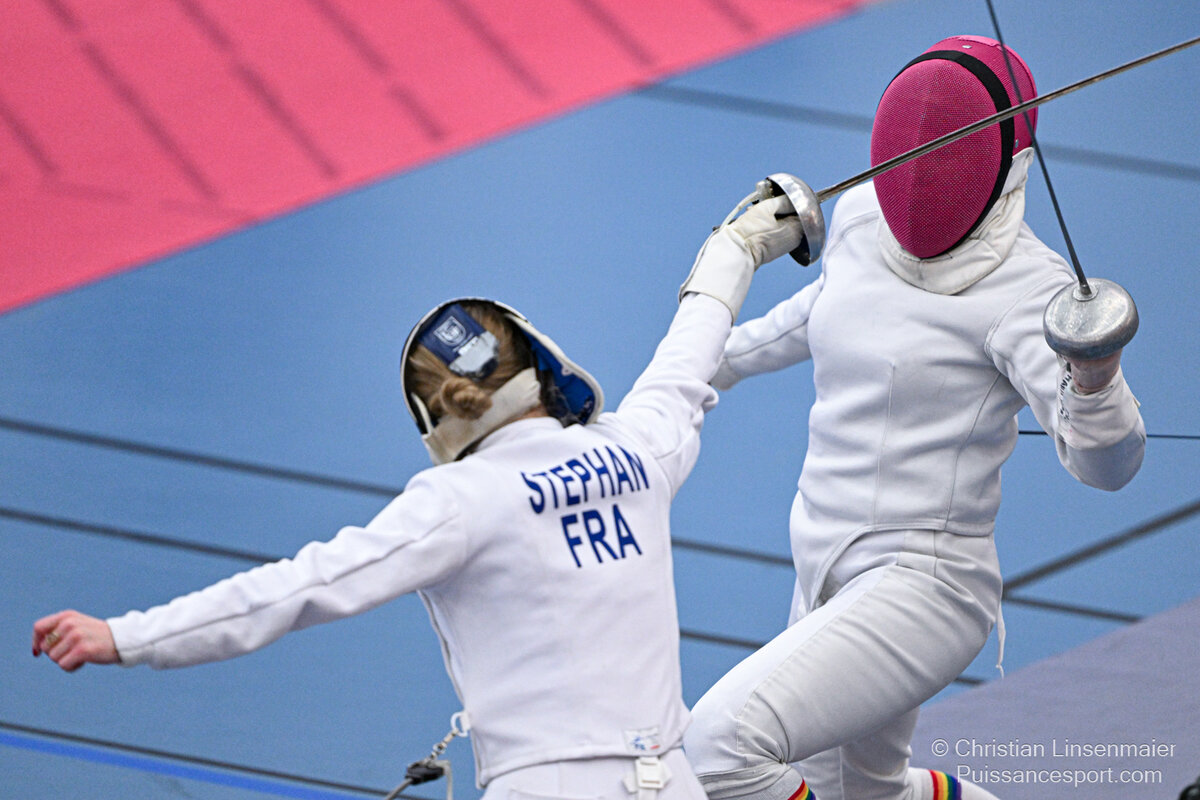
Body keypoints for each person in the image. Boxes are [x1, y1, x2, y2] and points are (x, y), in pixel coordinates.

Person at [31, 197, 805, 800]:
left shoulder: (460, 501)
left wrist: (126, 636)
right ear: (538, 361)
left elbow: (300, 588)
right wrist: (735, 246)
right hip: (673, 783)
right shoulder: (636, 451)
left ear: (436, 420)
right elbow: (688, 350)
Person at [681, 36, 1146, 800]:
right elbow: (827, 310)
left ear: (1009, 164)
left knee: (719, 748)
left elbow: (1106, 465)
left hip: (924, 586)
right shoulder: (863, 213)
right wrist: (696, 366)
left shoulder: (1032, 291)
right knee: (864, 792)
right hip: (820, 557)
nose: (922, 179)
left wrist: (1096, 380)